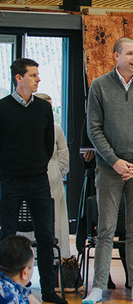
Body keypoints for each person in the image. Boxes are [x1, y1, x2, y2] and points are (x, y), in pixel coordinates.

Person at [84, 37, 133, 304]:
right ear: (115, 56)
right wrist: (114, 160)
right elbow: (94, 128)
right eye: (129, 53)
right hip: (109, 168)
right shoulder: (100, 86)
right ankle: (97, 287)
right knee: (105, 228)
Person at [0, 58, 65, 304]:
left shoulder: (42, 108)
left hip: (38, 179)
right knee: (7, 236)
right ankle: (6, 290)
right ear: (19, 78)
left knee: (46, 236)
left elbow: (48, 144)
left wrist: (38, 165)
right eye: (33, 75)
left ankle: (48, 289)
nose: (38, 79)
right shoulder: (3, 108)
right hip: (10, 180)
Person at [33, 93, 71, 263]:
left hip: (53, 180)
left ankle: (56, 261)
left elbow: (64, 157)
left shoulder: (56, 129)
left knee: (55, 223)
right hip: (31, 177)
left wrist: (55, 172)